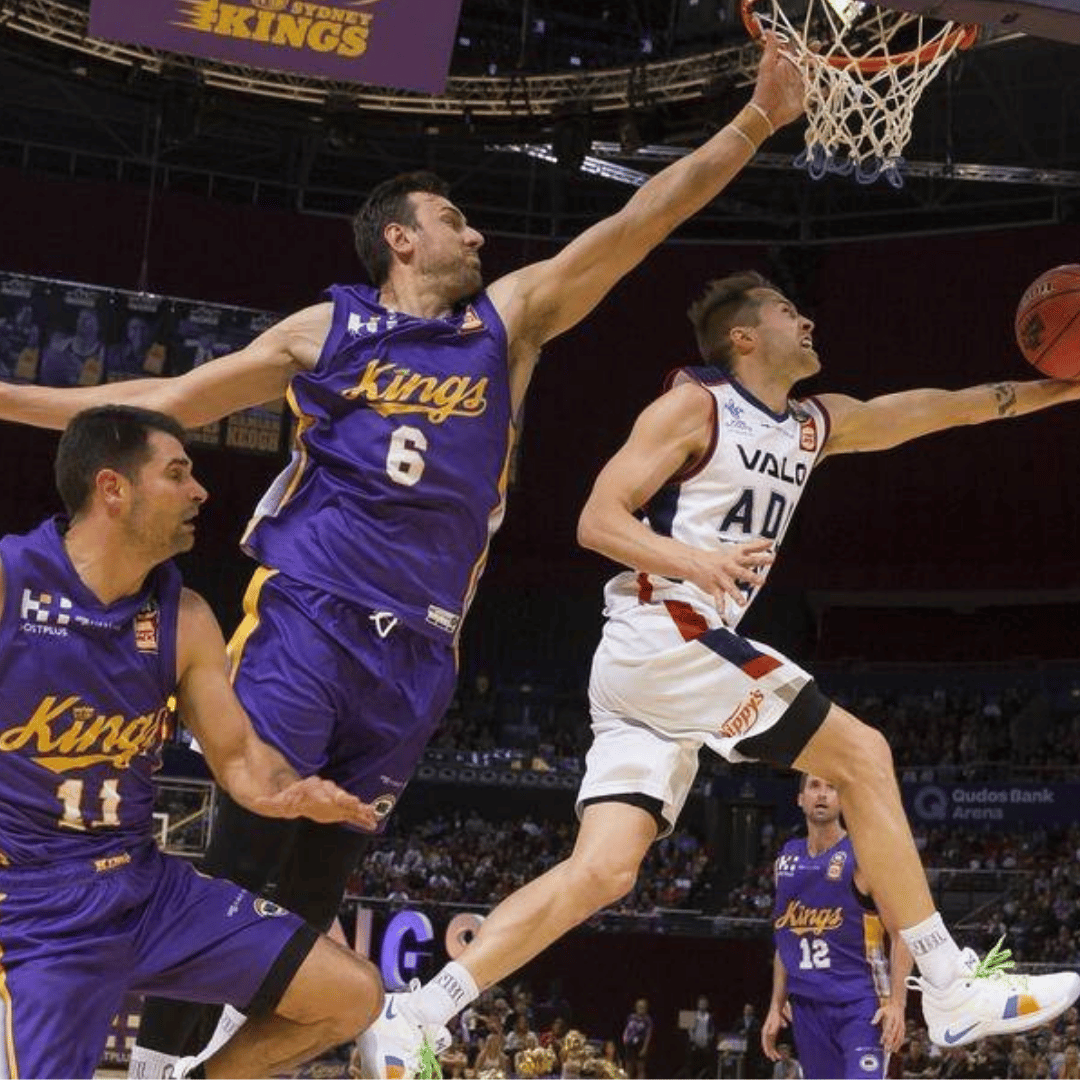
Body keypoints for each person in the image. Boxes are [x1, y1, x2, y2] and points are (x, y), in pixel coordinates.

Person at [0, 33, 805, 1079]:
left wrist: (755, 121)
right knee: (252, 827)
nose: (476, 231)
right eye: (453, 219)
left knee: (324, 874)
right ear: (400, 239)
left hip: (420, 649)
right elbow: (155, 403)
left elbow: (636, 224)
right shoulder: (322, 332)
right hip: (310, 612)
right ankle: (156, 1065)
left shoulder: (506, 321)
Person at [361, 269, 1080, 1077]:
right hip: (666, 634)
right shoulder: (694, 406)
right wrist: (691, 560)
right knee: (863, 754)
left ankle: (416, 1010)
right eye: (786, 310)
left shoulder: (812, 425)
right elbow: (597, 518)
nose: (807, 318)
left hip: (653, 669)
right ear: (744, 337)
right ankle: (948, 985)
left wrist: (1055, 391)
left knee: (601, 871)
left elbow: (942, 407)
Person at [0, 404, 385, 1079]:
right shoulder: (10, 582)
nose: (200, 490)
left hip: (145, 891)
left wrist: (291, 791)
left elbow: (236, 756)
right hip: (36, 910)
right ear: (112, 489)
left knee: (351, 996)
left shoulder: (185, 616)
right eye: (177, 473)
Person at [762, 773, 913, 1079]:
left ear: (844, 800)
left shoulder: (863, 856)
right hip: (807, 1008)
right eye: (814, 786)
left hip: (861, 1005)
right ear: (800, 799)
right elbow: (785, 943)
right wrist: (776, 1005)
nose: (823, 795)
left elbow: (902, 934)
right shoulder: (786, 861)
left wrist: (897, 1003)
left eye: (832, 788)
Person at [681, 995, 716, 1079]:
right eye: (701, 1003)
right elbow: (688, 1030)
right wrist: (693, 1039)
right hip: (694, 1044)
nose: (702, 1005)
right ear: (698, 1004)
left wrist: (709, 1038)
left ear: (707, 1005)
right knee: (690, 1064)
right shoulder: (693, 1015)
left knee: (709, 1064)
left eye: (704, 1004)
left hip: (705, 1044)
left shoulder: (710, 1017)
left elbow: (712, 1031)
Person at [621, 997, 653, 1079]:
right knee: (628, 1067)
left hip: (640, 1045)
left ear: (646, 1008)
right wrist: (624, 1037)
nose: (641, 1008)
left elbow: (648, 1035)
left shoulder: (647, 1019)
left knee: (640, 1068)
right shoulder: (631, 1017)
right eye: (639, 1006)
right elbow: (627, 1029)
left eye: (643, 1007)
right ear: (635, 1007)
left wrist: (644, 1048)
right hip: (630, 1044)